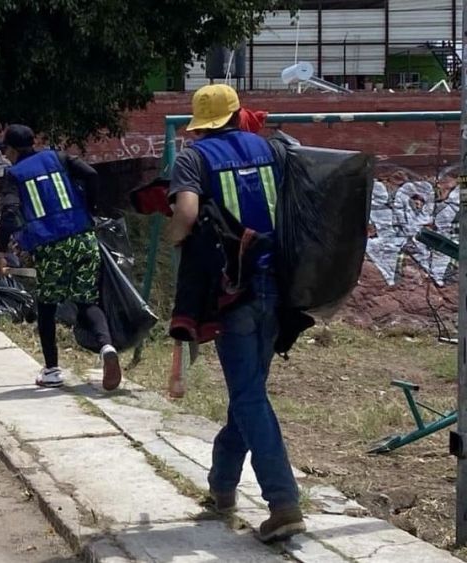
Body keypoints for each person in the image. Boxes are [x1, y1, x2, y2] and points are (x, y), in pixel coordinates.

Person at [168, 84, 304, 542]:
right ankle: (222, 488)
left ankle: (283, 502)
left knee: (248, 397)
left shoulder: (193, 157)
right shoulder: (269, 149)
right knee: (248, 393)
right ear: (235, 114)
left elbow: (186, 213)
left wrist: (174, 236)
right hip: (277, 287)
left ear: (200, 123)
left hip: (231, 293)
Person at [0, 124, 120, 391]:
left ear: (14, 149)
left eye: (4, 148)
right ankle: (107, 347)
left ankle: (51, 370)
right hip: (84, 237)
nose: (4, 154)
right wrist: (89, 208)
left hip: (50, 246)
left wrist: (2, 251)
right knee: (87, 300)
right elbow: (92, 174)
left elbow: (9, 212)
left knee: (47, 307)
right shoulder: (59, 158)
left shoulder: (15, 175)